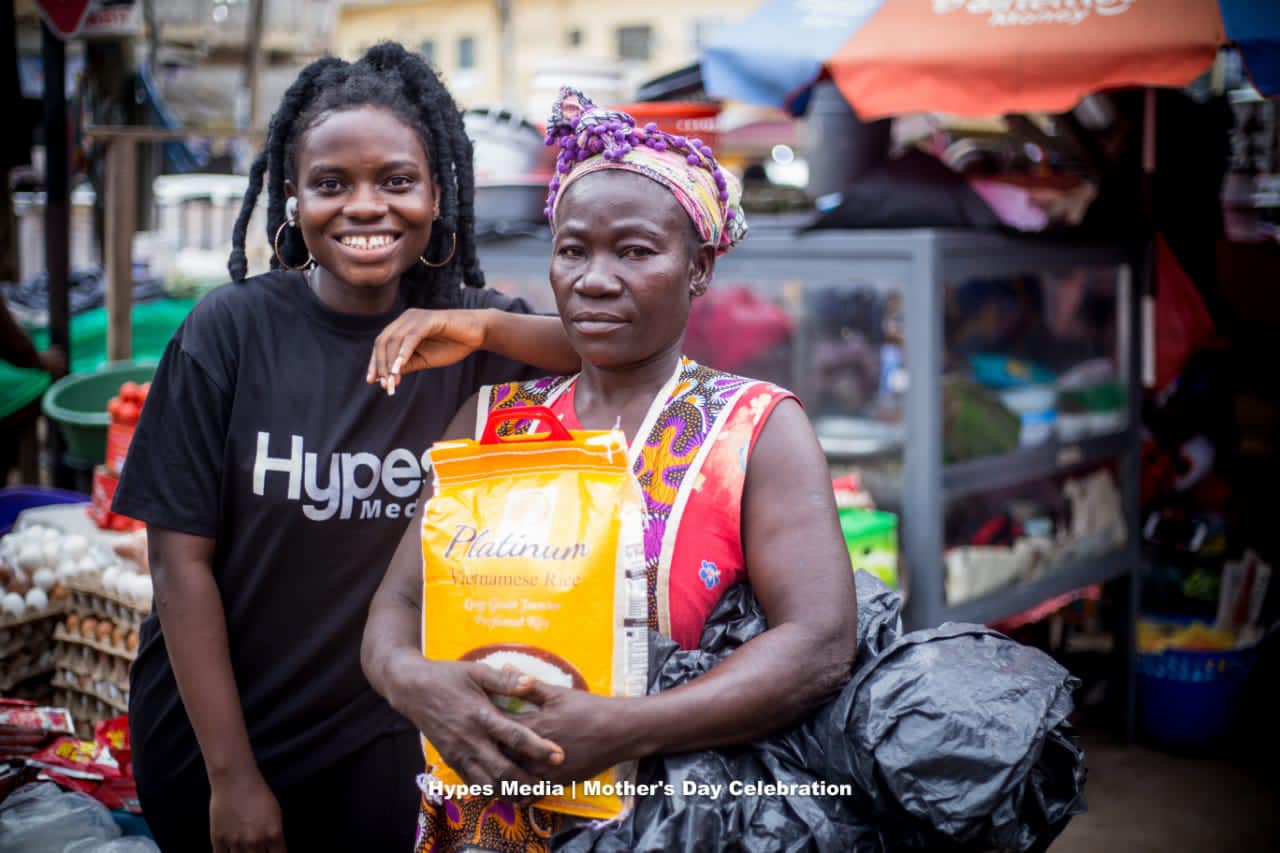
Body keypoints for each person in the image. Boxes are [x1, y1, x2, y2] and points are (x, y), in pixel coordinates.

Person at [362, 89, 859, 853]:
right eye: (572, 249)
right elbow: (396, 606)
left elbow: (820, 641)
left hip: (679, 824)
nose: (595, 278)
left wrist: (627, 727)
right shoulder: (491, 422)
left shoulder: (752, 430)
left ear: (698, 270)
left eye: (634, 251)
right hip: (487, 827)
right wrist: (414, 681)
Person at [111, 43, 578, 853]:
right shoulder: (229, 332)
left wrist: (480, 326)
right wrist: (231, 775)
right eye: (332, 184)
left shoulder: (477, 336)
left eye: (397, 181)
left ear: (438, 193)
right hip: (217, 744)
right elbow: (177, 566)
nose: (366, 206)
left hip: (385, 748)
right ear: (292, 197)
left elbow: (616, 346)